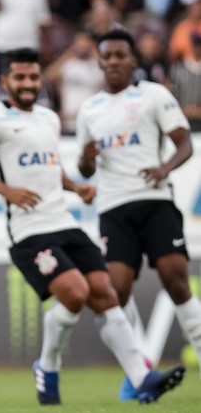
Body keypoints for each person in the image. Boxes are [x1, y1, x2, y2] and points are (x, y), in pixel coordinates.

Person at [0, 47, 185, 405]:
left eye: (33, 76)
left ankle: (142, 379)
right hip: (28, 230)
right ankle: (48, 365)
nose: (28, 83)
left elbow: (49, 167)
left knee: (106, 295)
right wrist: (6, 191)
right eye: (20, 77)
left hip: (65, 221)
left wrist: (75, 186)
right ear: (5, 81)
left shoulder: (48, 118)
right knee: (76, 292)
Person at [77, 28, 201, 393]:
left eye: (120, 55)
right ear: (99, 62)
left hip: (155, 201)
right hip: (113, 207)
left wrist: (164, 168)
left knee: (176, 279)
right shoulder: (89, 109)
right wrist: (85, 162)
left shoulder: (153, 95)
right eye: (108, 56)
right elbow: (85, 167)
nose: (114, 61)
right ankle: (138, 374)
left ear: (132, 59)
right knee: (115, 293)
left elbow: (184, 144)